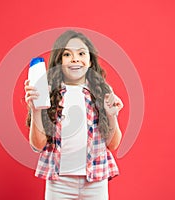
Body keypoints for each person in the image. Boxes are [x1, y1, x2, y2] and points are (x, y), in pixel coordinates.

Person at [24, 30, 123, 200]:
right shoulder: (48, 93)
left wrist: (112, 116)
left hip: (95, 181)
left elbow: (113, 145)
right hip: (59, 183)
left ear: (90, 61)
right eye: (67, 54)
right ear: (59, 61)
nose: (75, 59)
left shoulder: (102, 92)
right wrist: (36, 109)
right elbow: (38, 145)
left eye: (81, 53)